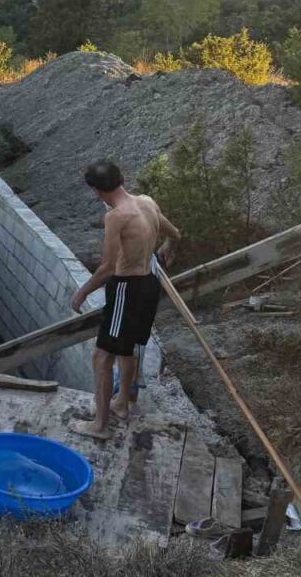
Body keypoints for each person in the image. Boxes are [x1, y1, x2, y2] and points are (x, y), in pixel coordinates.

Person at [69, 160, 181, 440]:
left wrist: (82, 292)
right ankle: (121, 404)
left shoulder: (116, 216)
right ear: (122, 179)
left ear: (97, 191)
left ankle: (99, 426)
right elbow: (175, 233)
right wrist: (169, 246)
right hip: (149, 286)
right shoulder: (147, 202)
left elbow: (107, 267)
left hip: (126, 288)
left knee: (102, 356)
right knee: (126, 349)